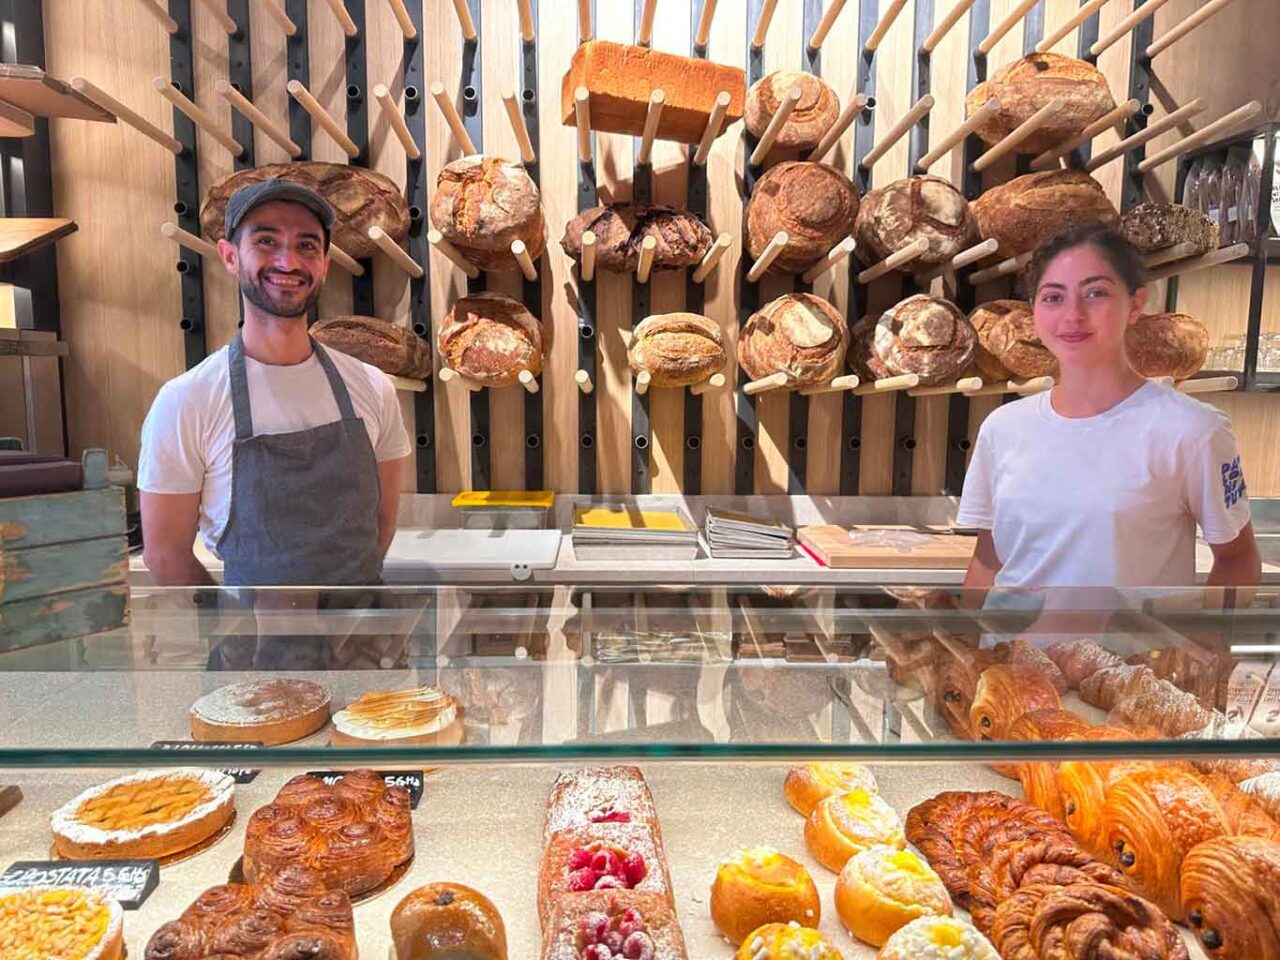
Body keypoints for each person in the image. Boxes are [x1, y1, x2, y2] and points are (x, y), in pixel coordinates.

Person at [957, 223, 1261, 590]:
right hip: (1011, 647)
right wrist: (968, 645)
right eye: (1053, 297)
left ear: (1135, 305)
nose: (1073, 315)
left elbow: (1238, 560)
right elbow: (988, 560)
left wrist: (1201, 644)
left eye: (1096, 293)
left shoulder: (1192, 430)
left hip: (1130, 650)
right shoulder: (1002, 428)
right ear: (1034, 311)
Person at [138, 180, 411, 587]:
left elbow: (381, 526)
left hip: (359, 640)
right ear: (230, 256)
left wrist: (349, 625)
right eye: (266, 241)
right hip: (252, 644)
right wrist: (234, 636)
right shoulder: (187, 401)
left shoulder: (373, 388)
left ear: (323, 264)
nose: (288, 262)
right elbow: (164, 557)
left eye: (306, 246)